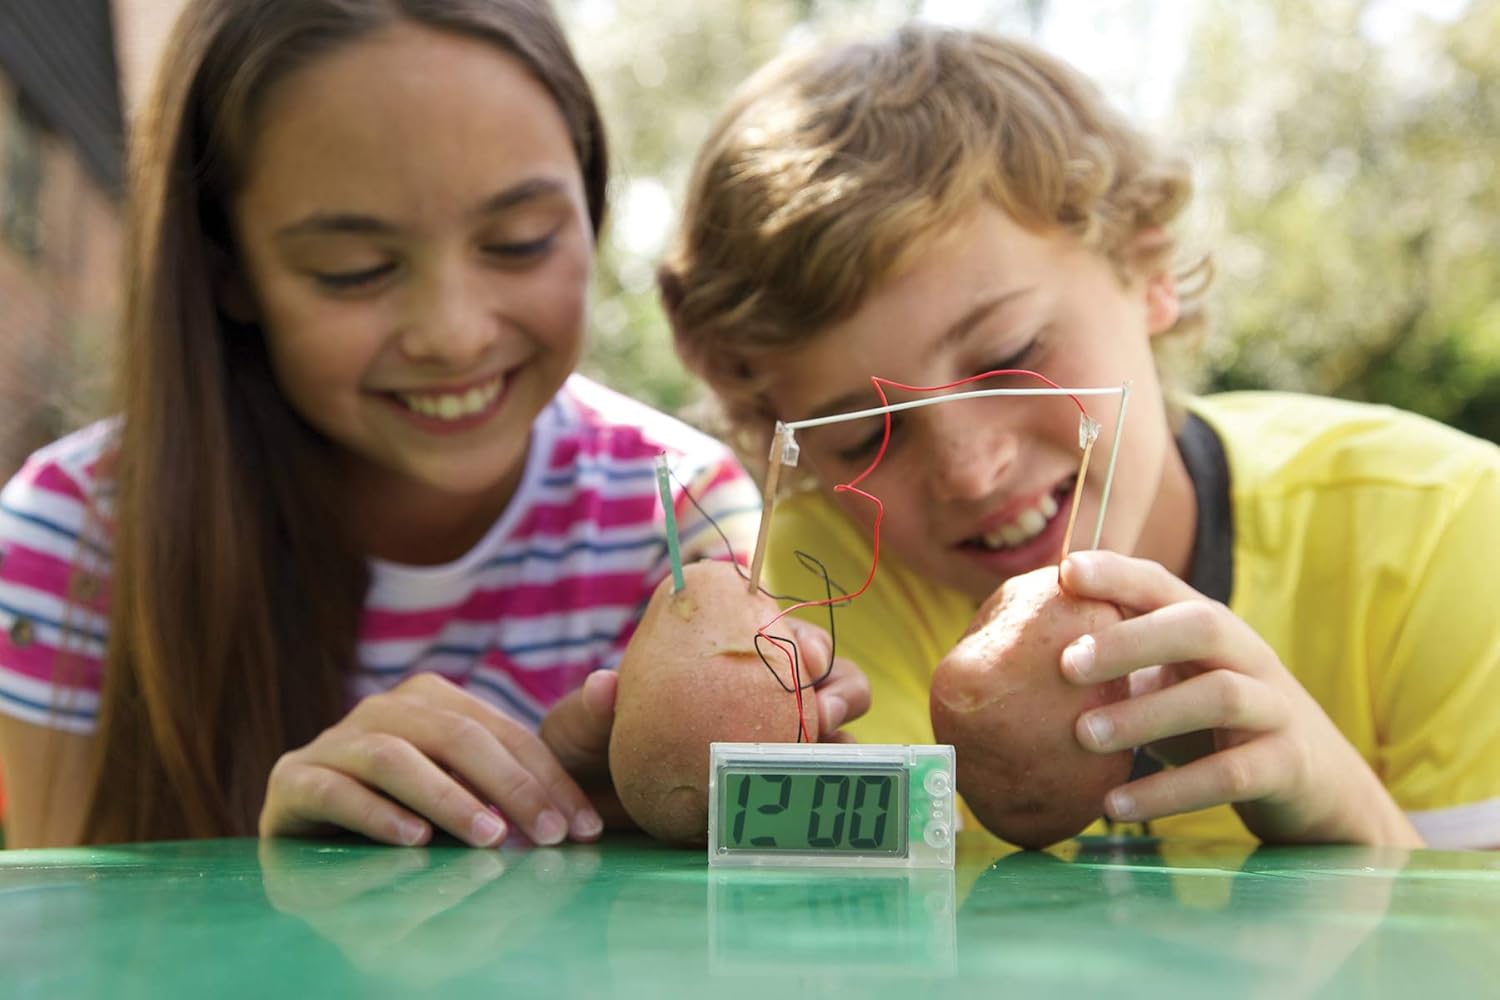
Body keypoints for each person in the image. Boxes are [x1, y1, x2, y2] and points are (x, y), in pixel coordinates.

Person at [0, 0, 868, 851]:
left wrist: (593, 820)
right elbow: (66, 945)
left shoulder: (679, 512)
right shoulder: (78, 542)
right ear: (229, 268)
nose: (454, 333)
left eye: (520, 240)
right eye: (356, 269)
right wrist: (271, 882)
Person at [660, 24, 1500, 849]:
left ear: (1149, 268)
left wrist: (1339, 806)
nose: (969, 469)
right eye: (865, 437)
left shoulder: (1448, 532)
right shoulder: (829, 584)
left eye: (1008, 357)